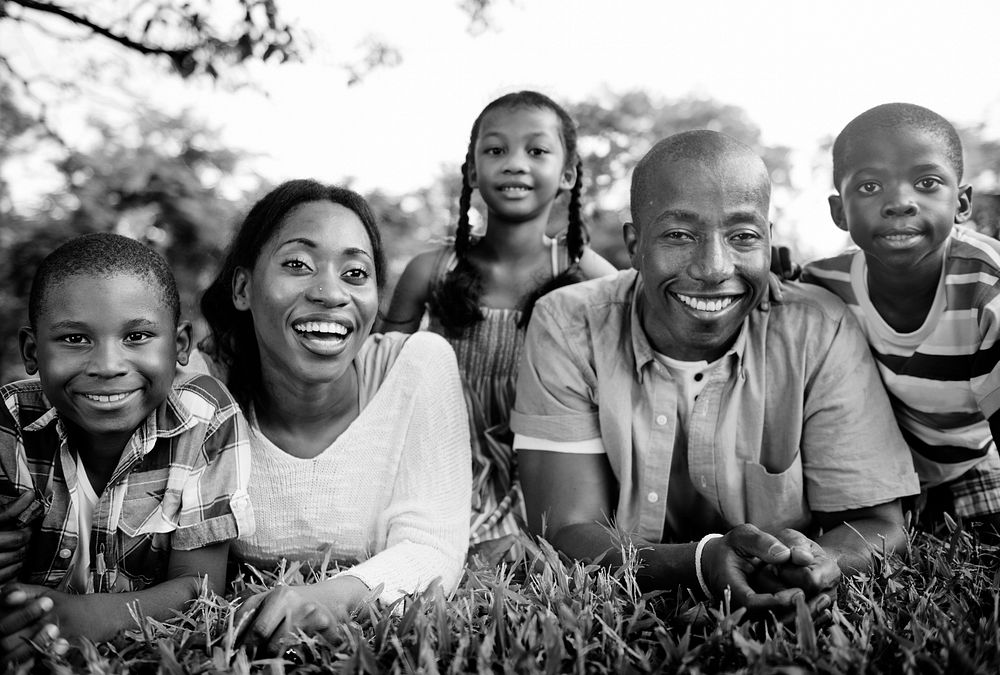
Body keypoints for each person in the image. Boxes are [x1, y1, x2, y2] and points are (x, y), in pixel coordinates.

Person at [511, 130, 921, 616]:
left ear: (769, 242)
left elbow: (877, 522)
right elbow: (565, 528)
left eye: (743, 236)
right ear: (634, 244)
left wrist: (818, 558)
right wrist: (699, 563)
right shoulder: (568, 322)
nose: (713, 267)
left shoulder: (818, 328)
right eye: (679, 235)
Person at [196, 179, 471, 653]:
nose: (330, 292)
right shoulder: (203, 388)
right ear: (243, 288)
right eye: (297, 265)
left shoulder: (419, 366)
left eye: (355, 273)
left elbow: (433, 549)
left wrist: (328, 599)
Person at [381, 91, 615, 558]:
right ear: (471, 170)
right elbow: (380, 375)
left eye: (536, 151)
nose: (514, 164)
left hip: (546, 463)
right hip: (444, 460)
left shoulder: (588, 274)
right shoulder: (431, 270)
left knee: (548, 549)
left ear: (567, 173)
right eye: (495, 150)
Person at [0, 233, 253, 665]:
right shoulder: (11, 422)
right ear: (32, 352)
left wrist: (86, 617)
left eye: (136, 336)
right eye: (75, 339)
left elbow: (202, 589)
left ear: (179, 346)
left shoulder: (204, 419)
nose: (108, 366)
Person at [801, 103, 1000, 533]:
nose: (899, 203)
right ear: (839, 211)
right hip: (879, 478)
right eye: (870, 186)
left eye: (927, 183)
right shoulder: (822, 285)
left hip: (969, 462)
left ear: (962, 202)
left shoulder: (987, 289)